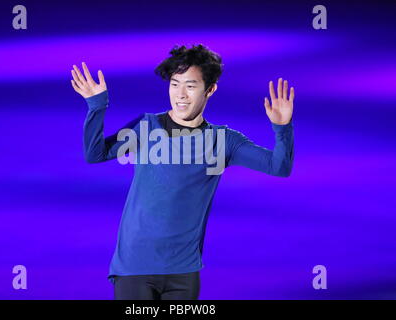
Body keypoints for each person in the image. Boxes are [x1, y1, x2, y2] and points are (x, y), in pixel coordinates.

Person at [70, 44, 295, 300]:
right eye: (175, 84)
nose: (181, 94)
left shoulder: (223, 141)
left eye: (190, 85)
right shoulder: (147, 126)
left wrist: (282, 128)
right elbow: (95, 154)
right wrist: (97, 105)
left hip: (184, 272)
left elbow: (279, 167)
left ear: (210, 89)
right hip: (134, 267)